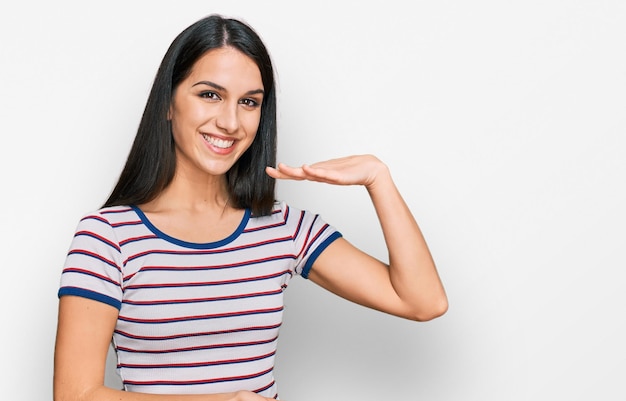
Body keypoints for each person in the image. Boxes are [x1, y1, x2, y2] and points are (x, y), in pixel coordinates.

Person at [53, 13, 448, 401]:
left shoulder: (283, 227)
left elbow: (422, 301)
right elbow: (74, 394)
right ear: (168, 103)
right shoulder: (107, 238)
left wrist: (378, 178)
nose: (230, 121)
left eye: (249, 102)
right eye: (210, 94)